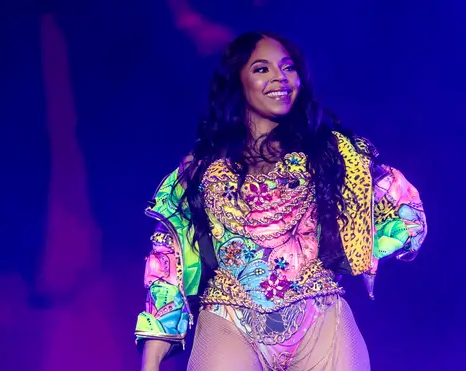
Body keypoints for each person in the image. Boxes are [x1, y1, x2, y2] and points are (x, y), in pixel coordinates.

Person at [134, 31, 427, 371]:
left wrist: (350, 248)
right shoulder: (199, 171)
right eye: (262, 69)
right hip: (229, 322)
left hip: (318, 318)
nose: (280, 78)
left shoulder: (332, 155)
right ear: (237, 82)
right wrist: (150, 362)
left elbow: (408, 213)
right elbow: (167, 266)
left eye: (288, 68)